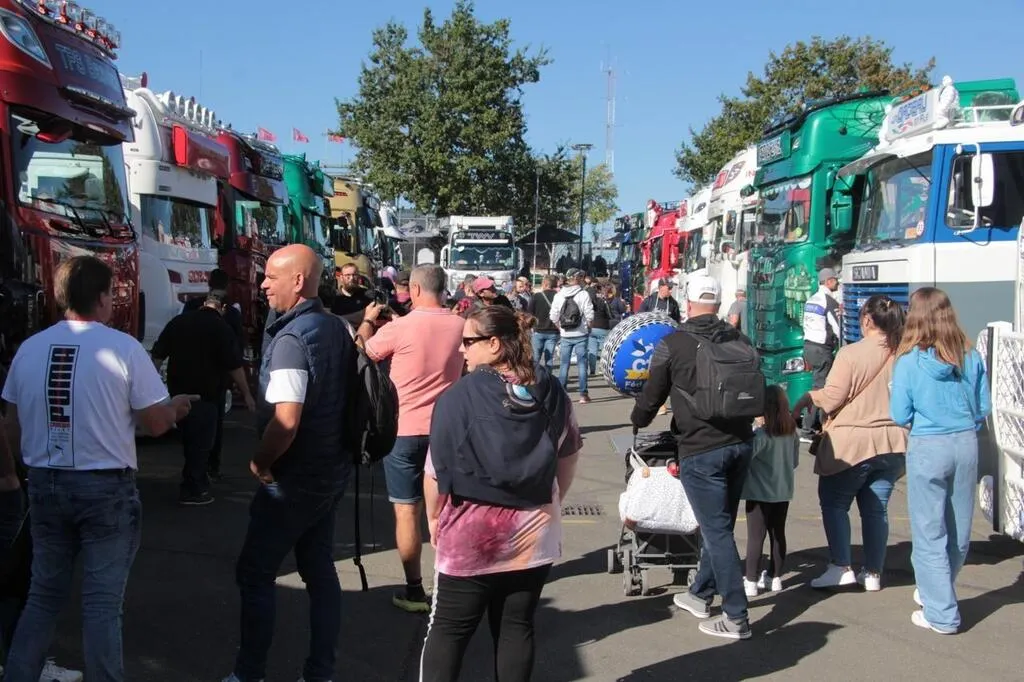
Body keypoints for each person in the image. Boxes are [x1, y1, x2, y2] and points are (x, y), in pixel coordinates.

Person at [2, 256, 194, 682]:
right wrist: (177, 408)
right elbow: (155, 422)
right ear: (103, 297)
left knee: (42, 596)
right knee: (102, 604)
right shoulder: (123, 348)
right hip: (105, 488)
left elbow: (12, 427)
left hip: (44, 482)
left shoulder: (29, 349)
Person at [421, 306, 581, 682]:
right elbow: (569, 454)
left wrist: (433, 517)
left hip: (470, 535)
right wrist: (553, 499)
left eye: (468, 341)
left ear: (494, 344)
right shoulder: (551, 390)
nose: (461, 349)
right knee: (516, 627)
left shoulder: (457, 397)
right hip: (534, 533)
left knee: (449, 629)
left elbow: (434, 471)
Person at [224, 244, 355, 682]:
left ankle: (248, 674)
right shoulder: (334, 327)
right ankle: (320, 672)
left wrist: (260, 462)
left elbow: (286, 421)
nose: (262, 284)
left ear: (298, 282)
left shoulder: (292, 340)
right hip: (330, 470)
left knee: (255, 573)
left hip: (295, 478)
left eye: (271, 277)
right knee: (319, 571)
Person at [631, 274, 756, 640]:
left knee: (716, 532)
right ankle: (700, 593)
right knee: (721, 527)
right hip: (741, 442)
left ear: (687, 303)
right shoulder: (740, 339)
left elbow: (652, 397)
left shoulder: (674, 343)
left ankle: (736, 616)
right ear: (718, 303)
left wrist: (638, 418)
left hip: (701, 449)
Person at [356, 265, 464, 613]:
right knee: (445, 510)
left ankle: (414, 590)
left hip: (402, 431)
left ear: (414, 289)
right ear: (443, 289)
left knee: (407, 511)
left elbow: (361, 351)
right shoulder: (462, 326)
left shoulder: (400, 328)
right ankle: (451, 584)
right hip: (446, 431)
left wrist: (369, 320)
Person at [790, 295, 908, 591]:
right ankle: (873, 572)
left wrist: (808, 398)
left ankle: (841, 566)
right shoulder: (904, 353)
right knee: (876, 508)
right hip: (893, 442)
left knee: (835, 503)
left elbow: (833, 398)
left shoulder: (851, 353)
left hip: (853, 443)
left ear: (867, 320)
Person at [890, 288, 990, 634]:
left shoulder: (908, 362)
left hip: (928, 445)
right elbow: (983, 407)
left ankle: (942, 613)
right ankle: (936, 593)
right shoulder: (970, 356)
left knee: (929, 532)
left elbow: (899, 414)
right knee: (959, 529)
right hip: (965, 442)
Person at [152, 292, 256, 505]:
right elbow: (234, 365)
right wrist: (247, 393)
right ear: (222, 308)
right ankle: (194, 488)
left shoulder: (178, 322)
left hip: (178, 394)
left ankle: (194, 482)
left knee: (189, 440)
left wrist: (153, 388)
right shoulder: (222, 328)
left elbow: (158, 355)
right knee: (201, 444)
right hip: (206, 395)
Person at [181, 268, 245, 482]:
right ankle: (211, 466)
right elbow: (236, 348)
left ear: (209, 283)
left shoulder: (191, 306)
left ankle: (193, 465)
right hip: (218, 375)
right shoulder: (231, 313)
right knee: (215, 423)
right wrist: (242, 385)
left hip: (190, 372)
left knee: (189, 421)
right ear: (227, 286)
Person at [742, 385, 799, 597]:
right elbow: (794, 462)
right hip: (782, 491)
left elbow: (746, 459)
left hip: (758, 492)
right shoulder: (791, 432)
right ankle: (775, 577)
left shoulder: (761, 435)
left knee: (756, 537)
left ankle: (750, 579)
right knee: (778, 534)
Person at [799, 267, 841, 441]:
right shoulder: (829, 302)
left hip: (808, 346)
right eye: (835, 280)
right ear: (829, 281)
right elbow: (838, 329)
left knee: (817, 386)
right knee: (821, 390)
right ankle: (808, 429)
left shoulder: (811, 300)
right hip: (822, 349)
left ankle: (814, 425)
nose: (837, 283)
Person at [549, 270, 595, 404]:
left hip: (565, 334)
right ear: (577, 278)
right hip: (581, 333)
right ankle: (583, 395)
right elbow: (590, 314)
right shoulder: (583, 294)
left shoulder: (559, 295)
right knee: (582, 364)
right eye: (580, 277)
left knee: (564, 364)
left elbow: (553, 316)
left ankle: (562, 393)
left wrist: (560, 328)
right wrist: (588, 327)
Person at [527, 275, 559, 369]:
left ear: (545, 284)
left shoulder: (536, 296)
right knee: (549, 358)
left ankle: (535, 375)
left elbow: (529, 313)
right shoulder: (558, 296)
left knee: (536, 357)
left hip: (538, 330)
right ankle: (548, 376)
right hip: (553, 330)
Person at [330, 262, 373, 328]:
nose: (352, 278)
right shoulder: (333, 298)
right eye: (348, 275)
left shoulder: (368, 295)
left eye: (354, 275)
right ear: (341, 278)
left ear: (359, 277)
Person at [587, 283, 613, 376]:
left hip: (591, 328)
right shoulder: (603, 302)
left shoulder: (588, 303)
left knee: (592, 350)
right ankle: (602, 368)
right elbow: (610, 315)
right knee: (603, 350)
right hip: (603, 327)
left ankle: (592, 370)